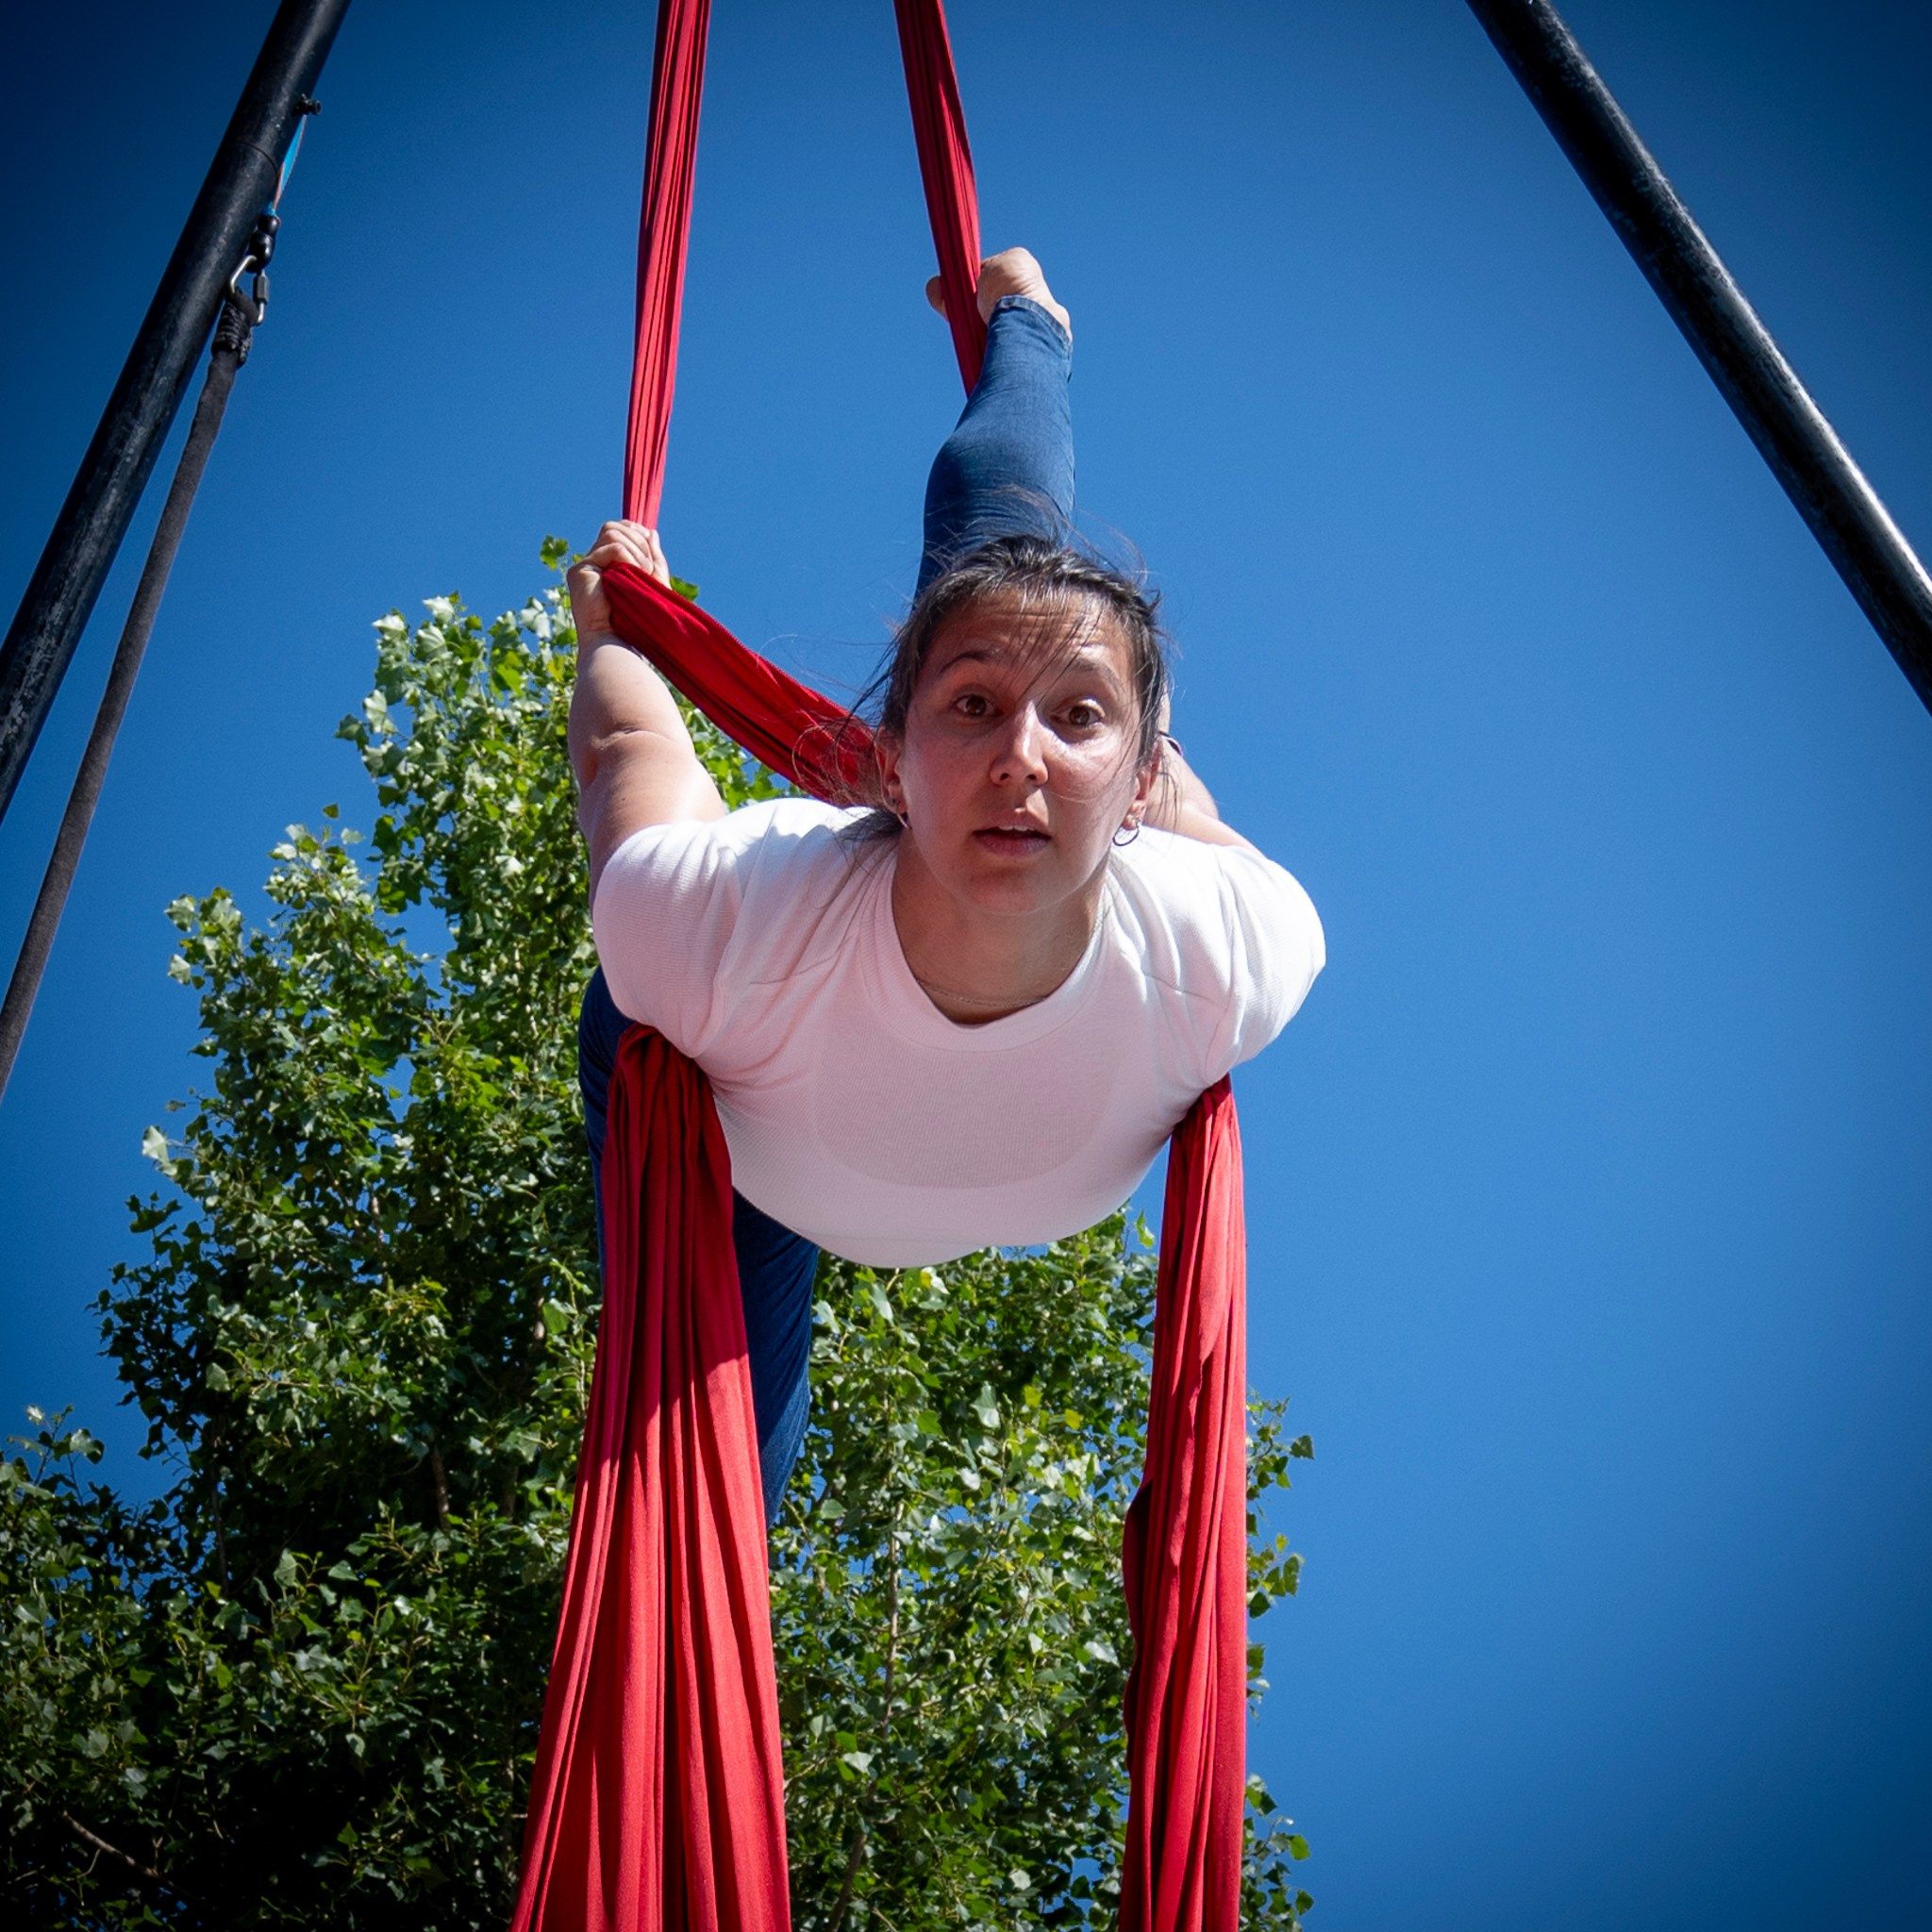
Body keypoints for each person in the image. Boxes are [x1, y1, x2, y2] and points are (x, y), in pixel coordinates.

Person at [568, 249, 1324, 1523]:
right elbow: (627, 755)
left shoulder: (1225, 949)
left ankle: (1027, 321)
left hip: (1044, 878)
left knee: (1015, 574)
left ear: (1139, 789)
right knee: (703, 1495)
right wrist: (616, 626)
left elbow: (1183, 816)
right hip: (733, 1114)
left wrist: (1147, 769)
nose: (1020, 756)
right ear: (890, 772)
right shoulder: (727, 925)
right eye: (971, 712)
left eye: (1079, 727)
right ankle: (1022, 368)